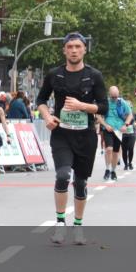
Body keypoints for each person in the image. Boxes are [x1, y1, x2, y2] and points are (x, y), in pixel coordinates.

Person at [35, 32, 107, 246]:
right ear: (64, 50)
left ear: (84, 49)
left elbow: (103, 106)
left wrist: (82, 106)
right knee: (63, 175)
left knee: (81, 182)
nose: (74, 50)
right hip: (62, 135)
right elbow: (41, 99)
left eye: (78, 46)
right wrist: (47, 116)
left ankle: (78, 226)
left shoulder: (94, 76)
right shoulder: (54, 75)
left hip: (85, 137)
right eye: (70, 47)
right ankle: (59, 225)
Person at [98, 86, 133, 183]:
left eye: (116, 96)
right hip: (108, 129)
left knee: (115, 152)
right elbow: (98, 116)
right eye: (113, 97)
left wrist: (125, 124)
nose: (114, 98)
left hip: (119, 131)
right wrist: (105, 125)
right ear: (109, 94)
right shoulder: (105, 102)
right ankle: (107, 169)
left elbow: (130, 114)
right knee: (109, 149)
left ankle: (113, 171)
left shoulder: (122, 102)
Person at [120, 98, 136, 171]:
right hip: (123, 134)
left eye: (129, 105)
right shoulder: (121, 114)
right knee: (124, 149)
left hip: (132, 134)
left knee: (130, 148)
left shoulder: (134, 114)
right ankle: (125, 164)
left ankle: (130, 163)